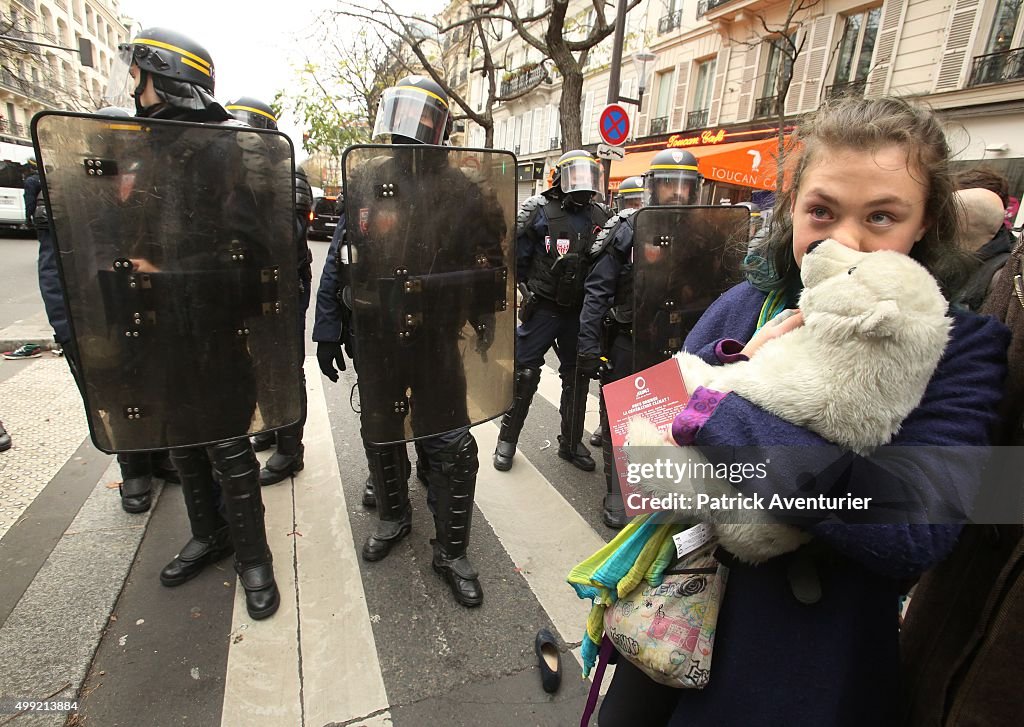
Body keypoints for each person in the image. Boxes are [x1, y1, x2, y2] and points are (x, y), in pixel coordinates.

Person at [597, 97, 1009, 726]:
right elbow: (633, 448)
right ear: (791, 208)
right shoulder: (746, 305)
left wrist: (722, 407)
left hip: (801, 664)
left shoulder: (960, 347)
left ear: (924, 224)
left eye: (881, 216)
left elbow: (912, 529)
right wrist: (736, 370)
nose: (843, 239)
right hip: (673, 617)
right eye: (821, 210)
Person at [105, 28, 287, 619]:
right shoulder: (148, 150)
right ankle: (209, 536)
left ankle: (253, 557)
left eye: (139, 75)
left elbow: (251, 258)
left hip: (215, 333)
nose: (134, 87)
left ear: (168, 78)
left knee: (229, 449)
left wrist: (167, 271)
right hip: (163, 331)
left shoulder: (223, 153)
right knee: (182, 446)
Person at [314, 75, 509, 607]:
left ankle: (451, 550)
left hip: (436, 337)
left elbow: (490, 262)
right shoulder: (367, 181)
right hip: (376, 334)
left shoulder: (464, 192)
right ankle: (395, 515)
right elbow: (341, 255)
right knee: (380, 430)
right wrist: (327, 322)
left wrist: (485, 311)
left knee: (449, 443)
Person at [25, 143, 178, 512]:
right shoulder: (67, 196)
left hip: (141, 308)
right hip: (98, 312)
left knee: (152, 388)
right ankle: (135, 470)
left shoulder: (147, 192)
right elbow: (54, 268)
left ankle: (157, 456)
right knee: (118, 394)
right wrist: (67, 327)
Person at [577, 150, 703, 529]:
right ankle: (619, 491)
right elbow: (597, 291)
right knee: (622, 416)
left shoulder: (704, 229)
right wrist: (587, 345)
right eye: (669, 183)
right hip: (630, 337)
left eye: (685, 185)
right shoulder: (627, 229)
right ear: (653, 186)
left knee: (676, 418)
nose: (677, 193)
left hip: (682, 340)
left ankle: (665, 486)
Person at [492, 149, 611, 473]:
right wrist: (524, 292)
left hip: (579, 312)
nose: (584, 183)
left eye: (590, 175)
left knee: (577, 375)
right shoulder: (539, 210)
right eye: (578, 175)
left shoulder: (600, 216)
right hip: (543, 306)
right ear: (560, 178)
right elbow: (512, 257)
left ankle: (571, 443)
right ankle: (507, 440)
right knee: (525, 373)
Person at [225, 97, 313, 486]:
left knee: (284, 366)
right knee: (259, 360)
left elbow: (286, 238)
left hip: (283, 286)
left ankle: (291, 448)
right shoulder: (232, 179)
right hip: (249, 286)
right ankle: (274, 424)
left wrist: (260, 192)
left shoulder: (288, 178)